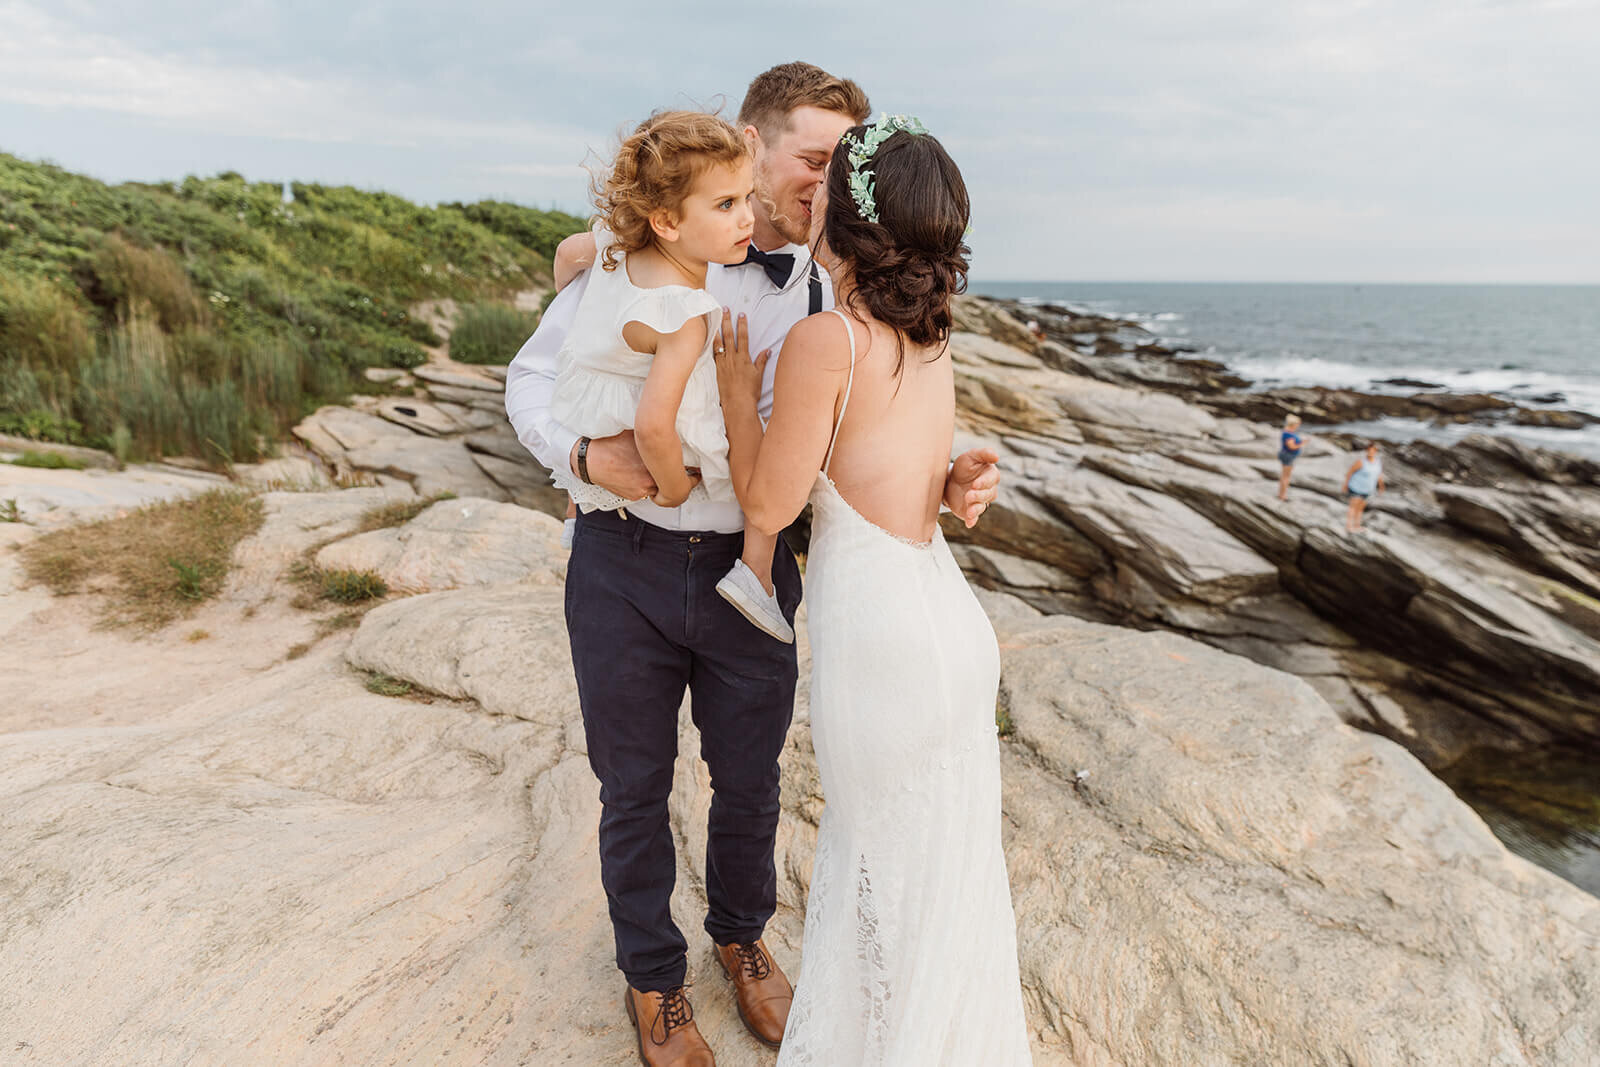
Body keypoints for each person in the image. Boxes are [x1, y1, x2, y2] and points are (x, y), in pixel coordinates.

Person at [504, 64, 1001, 1067]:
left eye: (837, 167)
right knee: (632, 783)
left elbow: (860, 421)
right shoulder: (630, 257)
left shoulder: (834, 285)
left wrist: (939, 476)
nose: (823, 185)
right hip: (623, 556)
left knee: (751, 778)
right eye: (810, 160)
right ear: (755, 145)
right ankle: (655, 979)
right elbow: (531, 381)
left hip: (752, 563)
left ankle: (742, 934)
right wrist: (581, 457)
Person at [713, 115, 1031, 1064]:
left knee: (877, 867)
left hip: (884, 642)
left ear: (848, 220)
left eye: (825, 192)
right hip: (943, 617)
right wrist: (957, 477)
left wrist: (737, 393)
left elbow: (769, 502)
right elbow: (901, 474)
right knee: (944, 880)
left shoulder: (827, 340)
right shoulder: (931, 333)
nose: (808, 199)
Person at [544, 109, 792, 642]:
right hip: (651, 490)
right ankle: (755, 575)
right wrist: (675, 490)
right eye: (726, 205)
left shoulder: (614, 249)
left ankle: (572, 514)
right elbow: (655, 426)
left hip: (584, 411)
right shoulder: (685, 314)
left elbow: (567, 254)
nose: (747, 218)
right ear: (667, 221)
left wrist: (578, 314)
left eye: (747, 198)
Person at [1342, 441, 1385, 533]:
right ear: (1366, 451)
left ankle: (1357, 525)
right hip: (1356, 487)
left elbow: (1379, 475)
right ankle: (1349, 526)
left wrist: (1381, 486)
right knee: (1353, 506)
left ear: (1376, 452)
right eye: (1369, 451)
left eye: (1373, 451)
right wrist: (1345, 485)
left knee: (1360, 508)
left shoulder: (1378, 463)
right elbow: (1350, 472)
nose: (1371, 452)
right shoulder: (1361, 462)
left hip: (1368, 489)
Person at [1276, 412, 1304, 501]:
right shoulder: (1288, 434)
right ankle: (1283, 495)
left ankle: (1281, 493)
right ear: (1294, 424)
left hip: (1286, 455)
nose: (1299, 425)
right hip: (1288, 456)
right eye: (1298, 424)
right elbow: (1291, 446)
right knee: (1286, 476)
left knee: (1284, 476)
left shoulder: (1287, 431)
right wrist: (1302, 443)